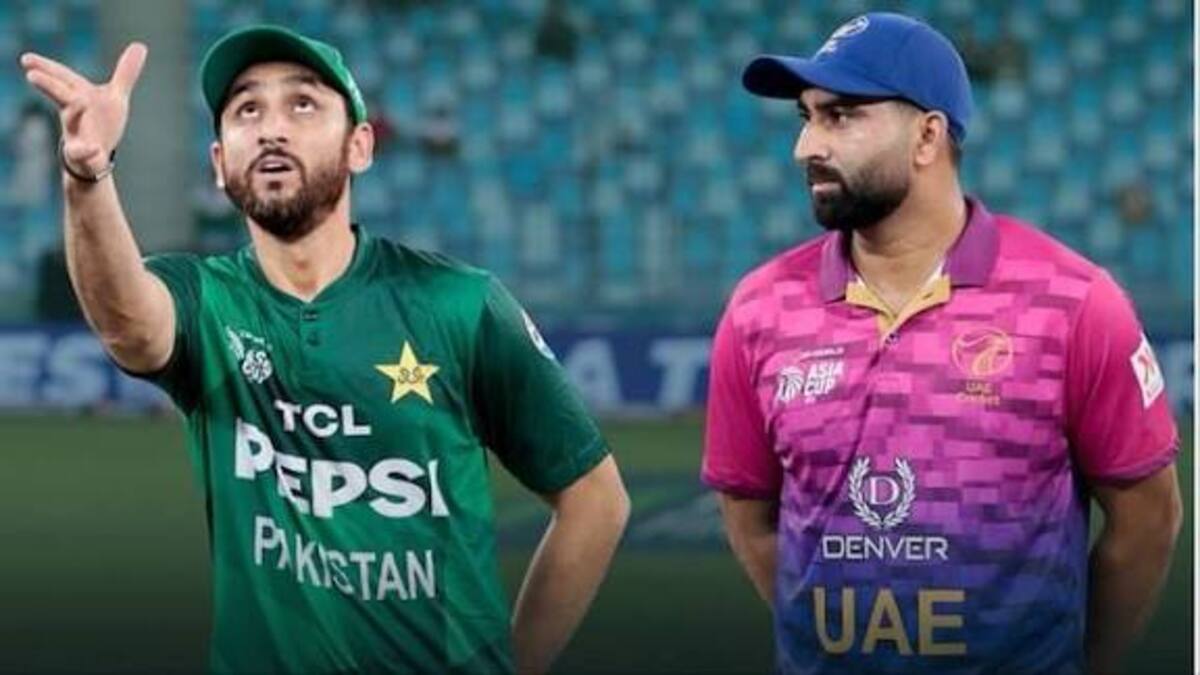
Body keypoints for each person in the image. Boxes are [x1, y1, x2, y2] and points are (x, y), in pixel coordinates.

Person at [21, 25, 629, 675]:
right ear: (220, 163)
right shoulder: (207, 298)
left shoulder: (459, 303)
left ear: (359, 145)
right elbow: (130, 326)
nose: (272, 128)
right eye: (247, 109)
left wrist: (516, 662)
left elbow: (595, 497)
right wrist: (87, 175)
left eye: (303, 104)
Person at [701, 13, 1180, 675]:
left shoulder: (1073, 304)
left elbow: (1147, 521)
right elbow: (749, 513)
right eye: (805, 117)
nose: (806, 145)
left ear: (927, 136)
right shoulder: (759, 310)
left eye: (840, 116)